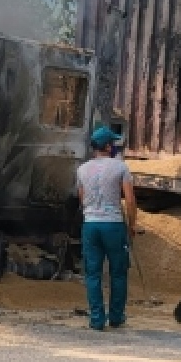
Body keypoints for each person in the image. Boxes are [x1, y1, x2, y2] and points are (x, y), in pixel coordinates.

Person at [76, 126, 137, 330]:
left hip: (90, 224)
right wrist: (132, 224)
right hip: (113, 224)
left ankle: (96, 320)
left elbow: (82, 198)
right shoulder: (121, 167)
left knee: (92, 273)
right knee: (118, 272)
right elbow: (129, 199)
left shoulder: (82, 169)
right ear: (109, 146)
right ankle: (116, 317)